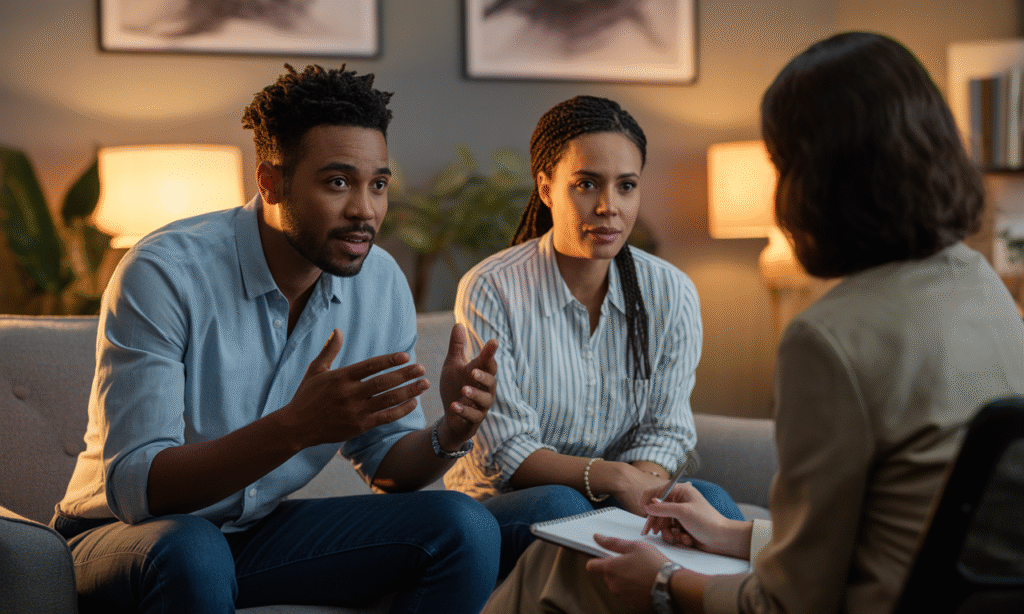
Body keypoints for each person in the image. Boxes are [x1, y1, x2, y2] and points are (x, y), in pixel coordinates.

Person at [481, 32, 1024, 614]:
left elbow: (783, 604)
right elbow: (882, 533)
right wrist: (734, 534)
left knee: (557, 566)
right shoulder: (986, 288)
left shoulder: (829, 338)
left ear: (813, 177)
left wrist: (663, 582)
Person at [50, 64, 502, 613]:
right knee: (192, 549)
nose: (365, 210)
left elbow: (386, 463)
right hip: (120, 540)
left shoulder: (380, 282)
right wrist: (296, 427)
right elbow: (137, 489)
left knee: (463, 527)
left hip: (253, 536)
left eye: (378, 184)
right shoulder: (164, 271)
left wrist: (450, 431)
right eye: (338, 183)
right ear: (270, 181)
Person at [445, 95, 742, 581]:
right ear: (546, 188)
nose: (609, 207)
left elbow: (665, 430)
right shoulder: (492, 288)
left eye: (626, 186)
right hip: (506, 503)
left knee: (709, 501)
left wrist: (646, 494)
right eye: (586, 185)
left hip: (624, 495)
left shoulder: (670, 291)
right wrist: (614, 477)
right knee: (563, 505)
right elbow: (505, 451)